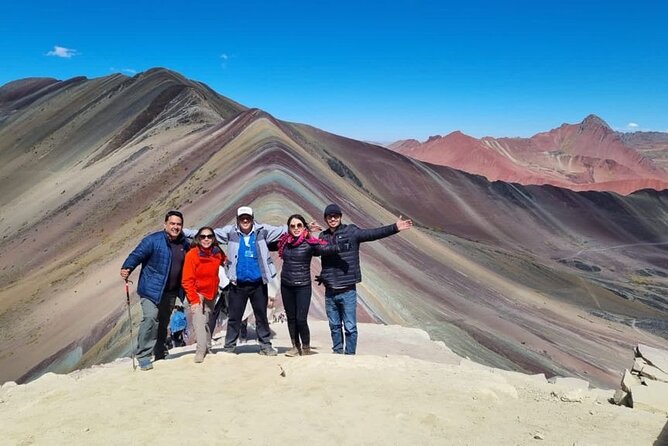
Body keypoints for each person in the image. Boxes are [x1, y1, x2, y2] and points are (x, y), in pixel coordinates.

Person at [183, 206, 286, 356]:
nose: (245, 220)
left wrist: (306, 228)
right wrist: (183, 232)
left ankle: (265, 345)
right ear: (237, 220)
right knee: (234, 317)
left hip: (258, 283)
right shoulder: (230, 232)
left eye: (248, 218)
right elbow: (207, 234)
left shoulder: (262, 231)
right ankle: (229, 346)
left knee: (261, 316)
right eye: (242, 218)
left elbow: (283, 230)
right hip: (238, 284)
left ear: (252, 218)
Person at [317, 204, 413, 355]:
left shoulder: (352, 232)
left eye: (336, 216)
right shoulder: (323, 236)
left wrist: (395, 227)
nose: (333, 219)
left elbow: (373, 233)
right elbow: (318, 252)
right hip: (330, 290)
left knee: (350, 327)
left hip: (347, 290)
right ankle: (337, 354)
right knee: (334, 325)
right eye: (330, 216)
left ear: (341, 217)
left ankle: (349, 355)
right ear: (325, 219)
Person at [120, 210, 189, 371]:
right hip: (151, 289)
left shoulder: (184, 244)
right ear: (165, 224)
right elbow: (137, 255)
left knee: (163, 323)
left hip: (171, 291)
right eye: (172, 223)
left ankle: (160, 352)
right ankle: (144, 355)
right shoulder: (153, 240)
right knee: (151, 318)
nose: (175, 227)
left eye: (178, 224)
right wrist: (127, 267)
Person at [275, 214, 338, 356]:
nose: (296, 228)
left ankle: (306, 347)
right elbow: (268, 244)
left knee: (300, 319)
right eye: (292, 226)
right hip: (286, 285)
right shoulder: (284, 242)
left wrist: (343, 245)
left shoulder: (309, 243)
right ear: (288, 228)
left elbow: (326, 248)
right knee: (291, 319)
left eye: (299, 225)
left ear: (303, 226)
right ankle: (294, 347)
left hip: (303, 286)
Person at [181, 227, 227, 363]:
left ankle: (207, 346)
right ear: (198, 238)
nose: (206, 239)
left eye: (209, 236)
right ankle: (200, 350)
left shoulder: (217, 253)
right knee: (199, 320)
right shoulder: (192, 255)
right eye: (203, 236)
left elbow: (225, 260)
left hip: (212, 293)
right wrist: (194, 300)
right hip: (197, 292)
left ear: (213, 238)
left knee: (206, 320)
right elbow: (186, 280)